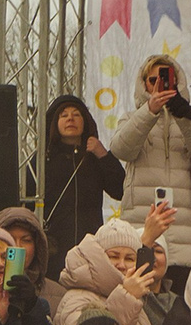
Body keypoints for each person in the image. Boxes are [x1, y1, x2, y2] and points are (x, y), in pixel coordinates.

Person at [106, 56, 191, 272]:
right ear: (143, 84)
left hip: (187, 233)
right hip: (143, 231)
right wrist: (149, 111)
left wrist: (185, 116)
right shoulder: (132, 117)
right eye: (153, 80)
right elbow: (120, 150)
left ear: (178, 83)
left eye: (167, 79)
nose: (160, 84)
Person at [52, 219, 164, 325]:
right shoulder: (76, 297)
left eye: (129, 258)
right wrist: (128, 295)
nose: (122, 264)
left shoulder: (133, 297)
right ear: (98, 257)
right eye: (114, 256)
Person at [40, 94, 127, 261]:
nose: (70, 119)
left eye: (76, 114)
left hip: (90, 247)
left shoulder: (95, 158)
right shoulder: (43, 160)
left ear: (85, 121)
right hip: (53, 248)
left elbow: (120, 189)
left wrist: (103, 155)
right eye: (64, 115)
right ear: (54, 123)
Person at [0, 206, 65, 319]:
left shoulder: (59, 295)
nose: (17, 246)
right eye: (9, 238)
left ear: (37, 247)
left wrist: (33, 305)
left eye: (26, 240)